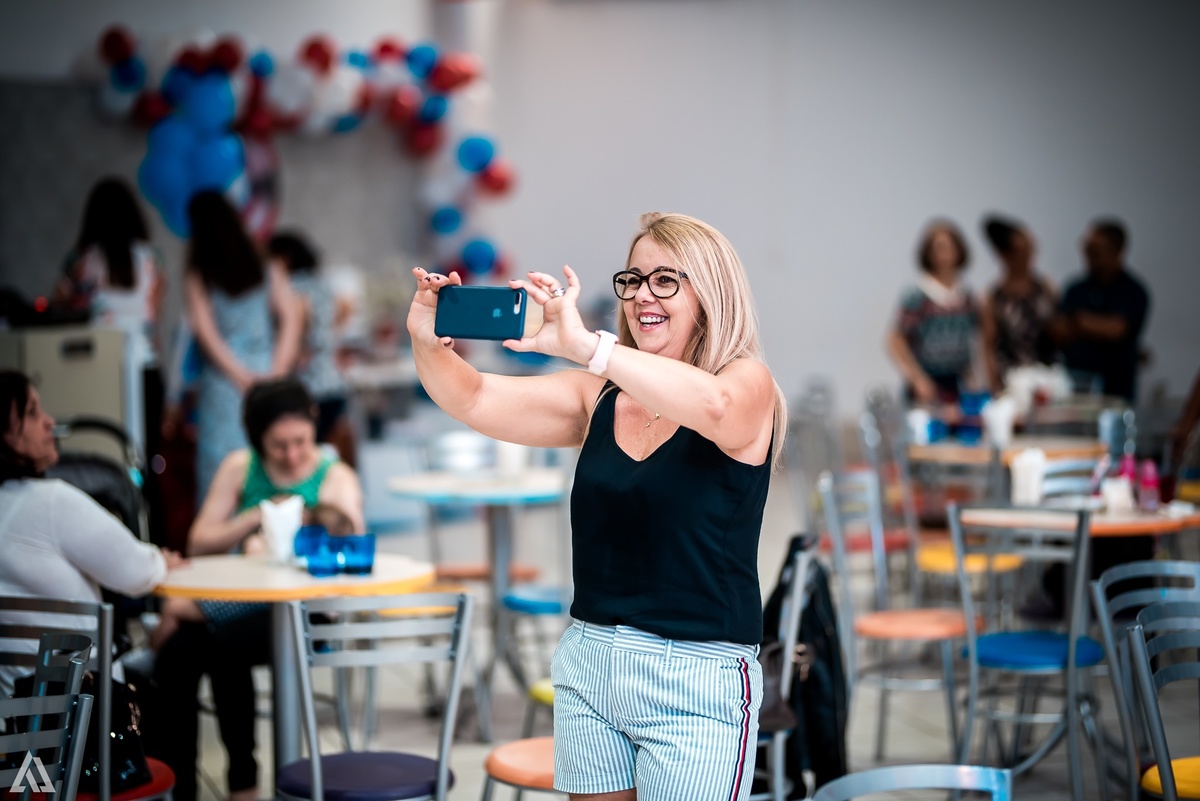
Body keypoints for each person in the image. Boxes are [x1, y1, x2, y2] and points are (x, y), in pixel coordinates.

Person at [407, 212, 787, 801]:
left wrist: (587, 347)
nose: (642, 296)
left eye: (666, 280)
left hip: (696, 676)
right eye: (632, 280)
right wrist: (426, 341)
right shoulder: (599, 399)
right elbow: (475, 396)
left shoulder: (746, 382)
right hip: (590, 663)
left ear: (710, 294)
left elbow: (714, 408)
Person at [145, 377, 363, 801]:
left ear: (313, 422)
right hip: (242, 603)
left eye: (300, 441)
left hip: (304, 614)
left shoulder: (334, 478)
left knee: (218, 644)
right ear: (256, 439)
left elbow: (348, 553)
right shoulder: (240, 467)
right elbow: (198, 541)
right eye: (279, 446)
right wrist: (256, 517)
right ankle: (178, 788)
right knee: (177, 655)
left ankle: (242, 782)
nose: (292, 454)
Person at [0, 369, 184, 696]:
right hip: (78, 718)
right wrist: (161, 561)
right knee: (177, 660)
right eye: (31, 413)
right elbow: (136, 572)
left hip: (11, 728)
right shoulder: (51, 501)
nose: (48, 421)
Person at [54, 177, 169, 543]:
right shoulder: (152, 260)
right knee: (145, 461)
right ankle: (152, 540)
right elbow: (153, 318)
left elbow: (62, 312)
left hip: (95, 370)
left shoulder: (81, 262)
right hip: (147, 369)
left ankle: (104, 540)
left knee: (101, 457)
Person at [184, 191, 302, 500]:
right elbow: (291, 318)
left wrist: (239, 376)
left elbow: (207, 335)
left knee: (221, 472)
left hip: (225, 383)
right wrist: (277, 370)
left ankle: (223, 541)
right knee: (274, 461)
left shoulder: (200, 273)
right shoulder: (264, 262)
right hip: (266, 369)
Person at [266, 231, 353, 465]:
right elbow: (345, 310)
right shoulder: (323, 285)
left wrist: (293, 355)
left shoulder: (294, 289)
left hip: (309, 388)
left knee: (304, 459)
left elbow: (295, 334)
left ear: (283, 258)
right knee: (323, 455)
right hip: (333, 382)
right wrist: (327, 341)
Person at [1050, 219, 1151, 402]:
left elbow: (1116, 330)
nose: (1088, 256)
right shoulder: (1075, 289)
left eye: (1095, 251)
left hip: (1117, 390)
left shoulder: (1133, 291)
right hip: (1076, 389)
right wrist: (1092, 325)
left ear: (1117, 250)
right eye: (1086, 249)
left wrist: (1078, 322)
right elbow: (1058, 332)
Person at [887, 220, 980, 404]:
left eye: (949, 247)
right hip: (927, 384)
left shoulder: (966, 296)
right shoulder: (918, 295)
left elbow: (970, 342)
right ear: (928, 254)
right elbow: (895, 341)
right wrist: (917, 378)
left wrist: (972, 379)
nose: (945, 254)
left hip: (957, 384)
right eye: (938, 248)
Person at [980, 214, 1057, 393]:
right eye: (1021, 250)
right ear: (1005, 254)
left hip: (1049, 379)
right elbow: (988, 346)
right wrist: (995, 385)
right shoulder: (993, 297)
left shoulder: (1046, 288)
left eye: (1031, 248)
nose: (1028, 255)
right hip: (1014, 381)